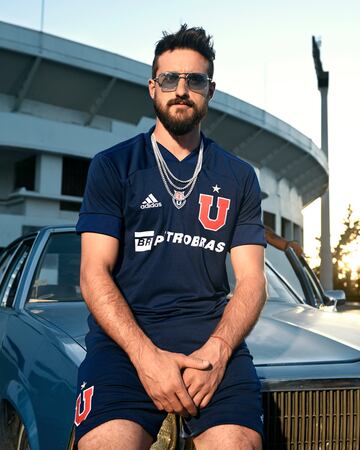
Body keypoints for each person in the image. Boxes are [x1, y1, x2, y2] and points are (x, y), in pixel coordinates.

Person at [74, 24, 268, 450]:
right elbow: (93, 272)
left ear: (210, 90)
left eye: (195, 80)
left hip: (210, 342)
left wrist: (217, 353)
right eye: (170, 79)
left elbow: (252, 281)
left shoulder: (238, 176)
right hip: (124, 345)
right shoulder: (113, 166)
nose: (182, 89)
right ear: (152, 87)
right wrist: (145, 357)